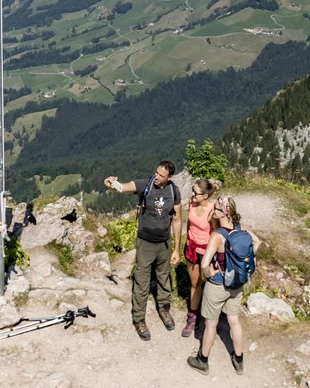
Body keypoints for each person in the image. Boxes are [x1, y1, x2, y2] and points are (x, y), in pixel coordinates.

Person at [103, 161, 183, 340]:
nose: (157, 177)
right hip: (145, 243)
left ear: (169, 178)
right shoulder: (144, 185)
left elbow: (177, 220)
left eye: (161, 175)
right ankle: (139, 318)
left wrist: (177, 248)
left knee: (164, 277)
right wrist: (110, 183)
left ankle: (164, 308)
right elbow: (122, 188)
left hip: (164, 243)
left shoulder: (174, 191)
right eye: (156, 172)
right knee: (141, 280)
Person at [187, 194, 259, 376]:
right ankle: (239, 359)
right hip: (237, 284)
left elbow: (204, 264)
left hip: (218, 285)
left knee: (211, 325)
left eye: (216, 209)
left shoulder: (218, 236)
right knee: (234, 320)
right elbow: (257, 242)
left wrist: (211, 273)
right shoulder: (241, 228)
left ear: (222, 213)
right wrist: (242, 264)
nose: (213, 211)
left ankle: (202, 360)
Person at [180, 177, 219, 338]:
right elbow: (189, 224)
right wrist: (187, 239)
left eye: (196, 193)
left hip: (207, 251)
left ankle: (210, 317)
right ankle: (193, 316)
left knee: (210, 284)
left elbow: (216, 232)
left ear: (205, 196)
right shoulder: (192, 204)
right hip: (192, 247)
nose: (193, 194)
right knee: (195, 283)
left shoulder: (212, 210)